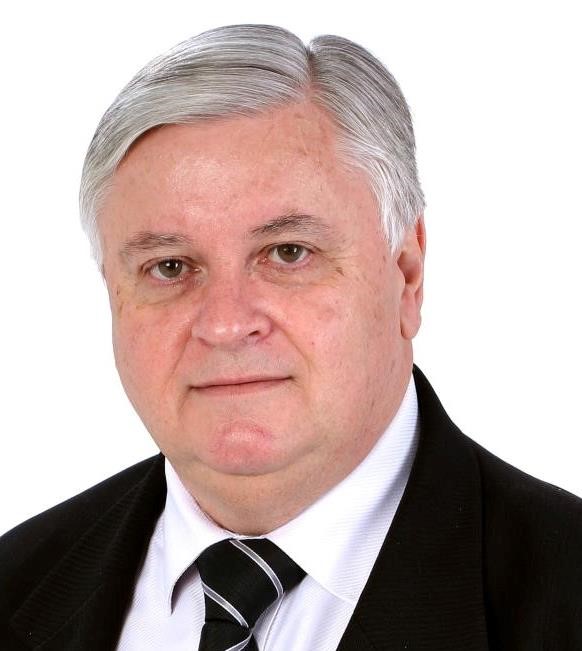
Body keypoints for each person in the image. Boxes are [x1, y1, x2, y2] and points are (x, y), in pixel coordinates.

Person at [1, 23, 581, 651]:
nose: (226, 324)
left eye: (288, 252)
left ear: (407, 275)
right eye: (169, 266)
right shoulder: (15, 584)